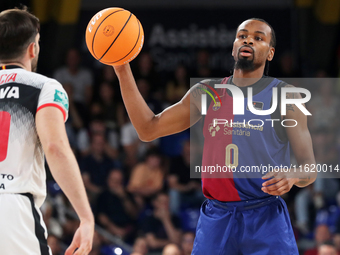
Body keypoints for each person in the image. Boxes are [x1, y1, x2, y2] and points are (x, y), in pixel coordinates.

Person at [113, 18, 316, 254]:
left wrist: (291, 176)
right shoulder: (207, 93)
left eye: (258, 37)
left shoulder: (286, 96)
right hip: (217, 217)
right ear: (233, 48)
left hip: (266, 216)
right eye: (242, 35)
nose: (248, 39)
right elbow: (148, 129)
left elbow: (309, 167)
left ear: (270, 53)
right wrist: (122, 68)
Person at [0, 7, 94, 255]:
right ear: (33, 48)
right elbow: (55, 147)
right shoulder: (44, 86)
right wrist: (85, 217)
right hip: (11, 207)